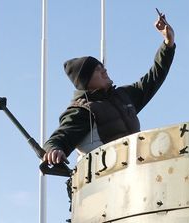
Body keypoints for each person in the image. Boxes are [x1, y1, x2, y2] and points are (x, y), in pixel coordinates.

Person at [42, 13, 175, 166]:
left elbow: (154, 78)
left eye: (103, 67)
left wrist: (168, 44)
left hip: (135, 174)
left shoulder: (123, 97)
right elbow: (59, 138)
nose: (104, 71)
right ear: (86, 81)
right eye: (98, 70)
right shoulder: (83, 111)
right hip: (104, 184)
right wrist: (54, 149)